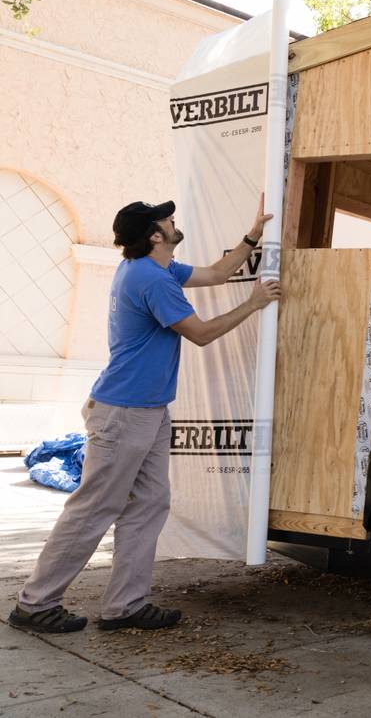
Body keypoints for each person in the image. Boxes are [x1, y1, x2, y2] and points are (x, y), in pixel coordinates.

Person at [8, 197, 282, 633]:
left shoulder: (157, 269)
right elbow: (203, 334)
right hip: (125, 413)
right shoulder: (151, 281)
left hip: (148, 411)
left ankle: (125, 606)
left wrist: (253, 234)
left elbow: (215, 273)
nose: (174, 222)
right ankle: (35, 603)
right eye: (167, 220)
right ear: (156, 235)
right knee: (95, 507)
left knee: (150, 504)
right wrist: (253, 304)